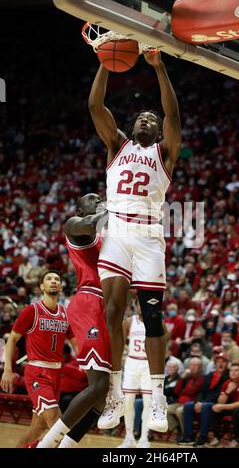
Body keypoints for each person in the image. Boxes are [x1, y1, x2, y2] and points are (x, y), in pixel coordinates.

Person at [89, 50, 181, 432]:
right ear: (133, 126)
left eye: (152, 119)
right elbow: (95, 104)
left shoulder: (165, 152)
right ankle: (114, 389)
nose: (148, 118)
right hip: (117, 231)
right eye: (142, 116)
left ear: (158, 132)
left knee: (151, 315)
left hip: (147, 235)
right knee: (111, 312)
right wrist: (105, 63)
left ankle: (157, 396)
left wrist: (159, 67)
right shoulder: (118, 146)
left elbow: (173, 115)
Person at [37, 193, 112, 448]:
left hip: (107, 305)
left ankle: (65, 446)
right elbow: (92, 224)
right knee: (98, 384)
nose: (98, 199)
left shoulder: (107, 236)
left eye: (99, 197)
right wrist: (114, 209)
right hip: (88, 301)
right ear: (80, 210)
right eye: (92, 199)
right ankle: (47, 444)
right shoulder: (74, 224)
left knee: (103, 393)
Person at [0, 270, 76, 447]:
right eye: (49, 279)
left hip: (56, 373)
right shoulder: (32, 310)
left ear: (61, 287)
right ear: (42, 286)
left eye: (57, 279)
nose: (53, 281)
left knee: (38, 427)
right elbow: (12, 339)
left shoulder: (66, 314)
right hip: (37, 372)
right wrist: (8, 370)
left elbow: (76, 345)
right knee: (57, 423)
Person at [118, 300, 152, 449]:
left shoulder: (156, 322)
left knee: (149, 403)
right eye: (139, 304)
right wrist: (122, 356)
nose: (141, 307)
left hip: (148, 364)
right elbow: (120, 341)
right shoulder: (129, 322)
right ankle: (129, 438)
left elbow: (166, 339)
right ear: (136, 306)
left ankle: (144, 439)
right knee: (128, 402)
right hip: (132, 362)